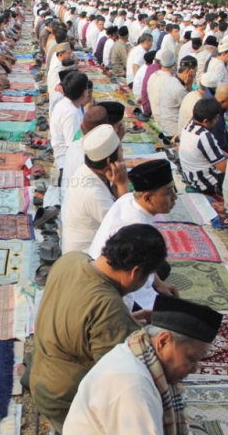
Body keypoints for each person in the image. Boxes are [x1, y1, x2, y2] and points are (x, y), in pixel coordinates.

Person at [30, 224, 168, 432]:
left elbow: (80, 319)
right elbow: (121, 381)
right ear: (135, 272)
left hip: (42, 382)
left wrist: (123, 322)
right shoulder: (109, 307)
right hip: (64, 403)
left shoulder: (71, 259)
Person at [64, 295, 223, 435]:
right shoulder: (133, 387)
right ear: (163, 341)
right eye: (192, 358)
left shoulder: (139, 350)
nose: (195, 368)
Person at [89, 160, 179, 310]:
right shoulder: (136, 229)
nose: (174, 197)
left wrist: (159, 284)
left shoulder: (128, 199)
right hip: (116, 287)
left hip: (124, 268)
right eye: (168, 192)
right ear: (148, 198)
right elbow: (124, 280)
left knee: (162, 266)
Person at [61, 124, 129, 254]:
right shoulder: (93, 192)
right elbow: (127, 229)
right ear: (109, 162)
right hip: (85, 256)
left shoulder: (88, 170)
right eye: (121, 151)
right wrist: (123, 186)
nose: (123, 156)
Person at [179, 98, 227, 195]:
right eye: (216, 118)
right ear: (206, 121)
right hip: (206, 183)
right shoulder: (204, 136)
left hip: (191, 177)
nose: (217, 121)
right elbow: (223, 167)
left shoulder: (188, 128)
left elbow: (214, 151)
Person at [50, 71, 88, 183]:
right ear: (84, 92)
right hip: (67, 165)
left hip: (66, 159)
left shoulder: (66, 104)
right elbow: (73, 147)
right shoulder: (71, 113)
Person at [158, 55, 196, 137]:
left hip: (167, 125)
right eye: (194, 72)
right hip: (173, 131)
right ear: (188, 71)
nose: (194, 76)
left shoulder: (173, 80)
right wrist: (190, 86)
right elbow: (194, 107)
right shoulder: (179, 89)